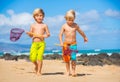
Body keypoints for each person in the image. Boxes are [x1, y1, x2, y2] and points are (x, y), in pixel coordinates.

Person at [59, 10, 88, 77]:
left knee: (73, 58)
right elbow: (60, 34)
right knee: (67, 59)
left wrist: (85, 37)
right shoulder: (64, 26)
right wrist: (61, 42)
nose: (70, 22)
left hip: (73, 44)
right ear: (65, 18)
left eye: (72, 20)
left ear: (74, 18)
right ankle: (68, 71)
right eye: (68, 20)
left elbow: (81, 31)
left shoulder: (75, 25)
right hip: (66, 44)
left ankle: (73, 71)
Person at [26, 8, 50, 76]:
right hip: (34, 44)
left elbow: (48, 34)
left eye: (41, 15)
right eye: (37, 16)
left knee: (39, 58)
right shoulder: (32, 25)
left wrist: (44, 35)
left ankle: (39, 71)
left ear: (43, 16)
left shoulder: (44, 25)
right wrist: (29, 34)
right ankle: (36, 66)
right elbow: (31, 36)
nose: (39, 17)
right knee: (32, 58)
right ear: (34, 17)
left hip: (41, 44)